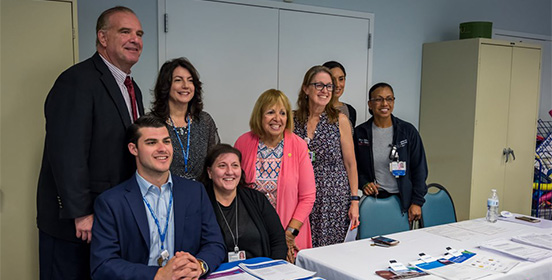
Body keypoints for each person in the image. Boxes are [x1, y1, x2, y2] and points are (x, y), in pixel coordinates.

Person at [36, 6, 145, 279]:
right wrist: (81, 213)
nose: (136, 39)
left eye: (139, 33)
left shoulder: (133, 88)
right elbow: (66, 153)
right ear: (103, 38)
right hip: (76, 226)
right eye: (125, 31)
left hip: (111, 219)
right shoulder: (77, 81)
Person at [90, 115, 225, 279]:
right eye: (151, 142)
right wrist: (157, 275)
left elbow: (215, 243)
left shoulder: (195, 192)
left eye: (166, 141)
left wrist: (199, 265)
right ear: (134, 149)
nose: (162, 148)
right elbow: (103, 265)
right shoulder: (111, 202)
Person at [234, 89, 316, 263]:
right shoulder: (243, 143)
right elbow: (235, 189)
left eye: (282, 113)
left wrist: (289, 234)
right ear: (259, 115)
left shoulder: (298, 145)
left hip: (290, 232)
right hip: (252, 233)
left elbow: (308, 196)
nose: (277, 119)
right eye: (270, 112)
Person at [293, 65, 360, 248]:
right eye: (319, 85)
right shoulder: (292, 120)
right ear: (306, 88)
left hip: (334, 199)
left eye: (329, 86)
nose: (325, 91)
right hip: (301, 198)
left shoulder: (340, 120)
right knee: (302, 250)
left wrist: (354, 202)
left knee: (331, 252)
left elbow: (351, 164)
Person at [354, 82, 428, 223]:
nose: (384, 103)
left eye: (389, 99)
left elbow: (420, 168)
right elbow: (352, 168)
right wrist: (363, 183)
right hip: (374, 201)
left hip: (403, 202)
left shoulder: (407, 131)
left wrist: (417, 202)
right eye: (378, 99)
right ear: (370, 104)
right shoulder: (360, 133)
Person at [199, 144, 287, 262]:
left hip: (261, 272)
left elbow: (278, 240)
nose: (230, 172)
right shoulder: (199, 204)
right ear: (209, 172)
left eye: (235, 165)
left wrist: (273, 269)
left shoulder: (257, 199)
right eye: (222, 166)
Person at [151, 57, 220, 180]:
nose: (185, 86)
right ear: (166, 86)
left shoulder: (204, 121)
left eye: (190, 80)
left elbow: (215, 160)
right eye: (178, 80)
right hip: (163, 192)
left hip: (199, 193)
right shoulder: (152, 123)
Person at [322, 61, 357, 127]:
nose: (337, 84)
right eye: (332, 79)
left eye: (341, 79)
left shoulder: (350, 110)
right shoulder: (315, 109)